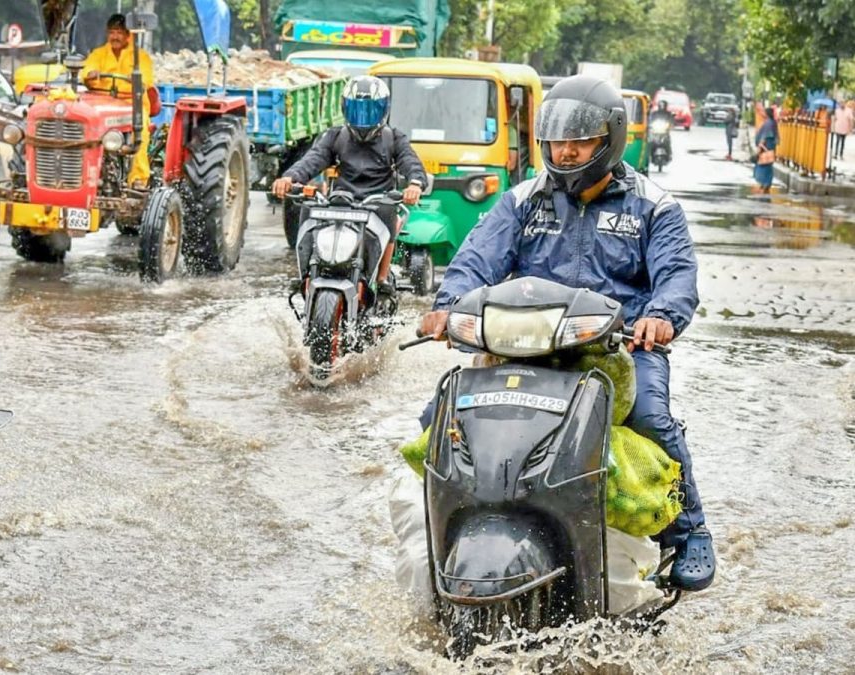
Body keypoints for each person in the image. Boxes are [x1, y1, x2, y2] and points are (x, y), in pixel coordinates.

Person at [416, 75, 715, 593]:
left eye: (580, 141)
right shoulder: (522, 201)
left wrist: (661, 315)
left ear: (611, 140)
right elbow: (473, 262)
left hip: (619, 349)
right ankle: (441, 528)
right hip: (528, 346)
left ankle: (689, 532)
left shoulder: (654, 207)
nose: (567, 151)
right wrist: (447, 307)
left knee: (651, 416)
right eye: (557, 141)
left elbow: (677, 276)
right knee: (438, 418)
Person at [271, 76, 427, 296]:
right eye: (357, 110)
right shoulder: (335, 136)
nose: (363, 118)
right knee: (308, 207)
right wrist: (289, 178)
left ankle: (381, 279)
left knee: (390, 212)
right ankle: (306, 272)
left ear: (383, 110)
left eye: (370, 110)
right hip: (341, 202)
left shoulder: (394, 138)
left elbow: (411, 163)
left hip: (377, 202)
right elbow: (312, 159)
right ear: (345, 108)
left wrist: (415, 184)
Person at [82, 13, 155, 184]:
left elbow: (146, 81)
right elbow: (86, 71)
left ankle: (138, 178)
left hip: (131, 104)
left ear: (128, 34)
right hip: (102, 104)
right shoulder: (98, 54)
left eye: (119, 32)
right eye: (111, 32)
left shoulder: (140, 56)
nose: (115, 36)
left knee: (141, 130)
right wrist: (90, 74)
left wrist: (135, 79)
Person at [754, 106, 779, 194]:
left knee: (763, 166)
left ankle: (764, 183)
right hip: (771, 148)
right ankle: (767, 184)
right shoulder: (773, 122)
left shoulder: (768, 123)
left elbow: (765, 137)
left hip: (765, 148)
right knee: (769, 166)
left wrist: (760, 147)